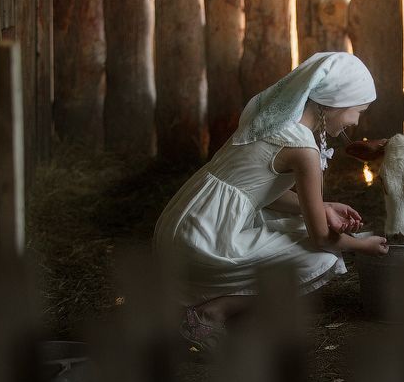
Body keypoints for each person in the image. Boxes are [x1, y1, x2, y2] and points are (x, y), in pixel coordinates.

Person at [154, 52, 390, 351]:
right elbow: (321, 239)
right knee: (324, 258)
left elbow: (260, 189)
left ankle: (216, 307)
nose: (355, 122)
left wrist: (323, 207)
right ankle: (211, 313)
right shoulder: (304, 150)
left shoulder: (270, 117)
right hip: (202, 239)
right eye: (358, 111)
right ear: (333, 103)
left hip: (182, 223)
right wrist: (362, 246)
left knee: (297, 227)